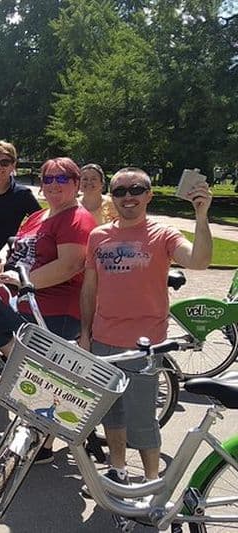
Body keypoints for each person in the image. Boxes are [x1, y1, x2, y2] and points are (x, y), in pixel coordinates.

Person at [80, 167, 212, 487]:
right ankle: (118, 469)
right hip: (103, 340)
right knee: (111, 414)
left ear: (148, 195)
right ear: (112, 196)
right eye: (120, 190)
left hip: (145, 345)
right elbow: (89, 288)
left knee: (142, 420)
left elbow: (199, 260)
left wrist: (201, 215)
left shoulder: (162, 234)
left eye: (136, 189)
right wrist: (86, 334)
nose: (128, 197)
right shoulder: (99, 236)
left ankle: (152, 481)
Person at [0, 156, 98, 464]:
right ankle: (20, 377)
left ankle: (44, 442)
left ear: (75, 184)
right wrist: (1, 256)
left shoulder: (77, 218)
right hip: (27, 300)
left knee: (46, 375)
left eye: (62, 179)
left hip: (56, 306)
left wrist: (24, 281)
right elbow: (16, 241)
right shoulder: (41, 215)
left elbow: (71, 264)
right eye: (48, 179)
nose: (53, 185)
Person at [0, 141, 41, 255]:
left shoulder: (22, 194)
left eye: (5, 162)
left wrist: (21, 239)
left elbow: (40, 221)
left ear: (13, 165)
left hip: (7, 256)